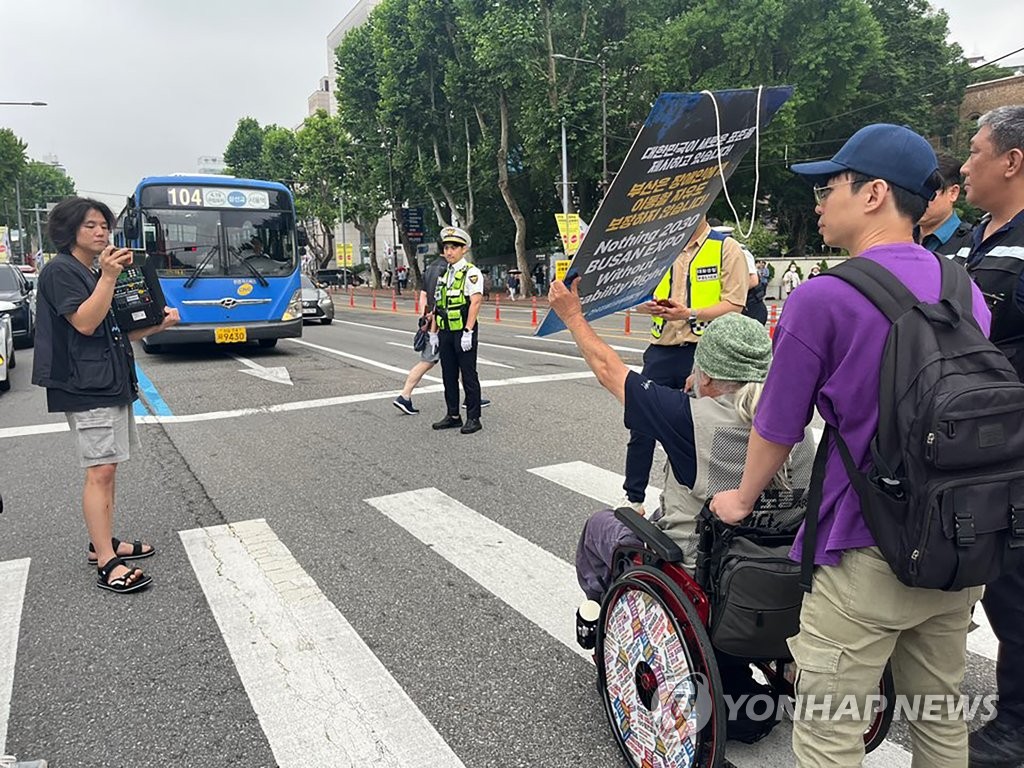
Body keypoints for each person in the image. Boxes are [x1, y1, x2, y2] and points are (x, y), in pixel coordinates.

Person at [710, 124, 990, 767]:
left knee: (829, 731)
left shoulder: (823, 298)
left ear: (874, 194)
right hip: (957, 542)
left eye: (828, 184)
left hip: (866, 548)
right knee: (939, 718)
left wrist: (740, 498)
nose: (818, 199)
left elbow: (778, 426)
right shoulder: (963, 288)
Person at [547, 291, 814, 742]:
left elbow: (610, 371)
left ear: (706, 374)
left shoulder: (690, 417)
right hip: (779, 566)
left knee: (602, 526)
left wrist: (573, 315)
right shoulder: (798, 425)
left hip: (699, 570)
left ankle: (599, 611)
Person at [32, 197, 180, 593]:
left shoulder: (88, 271)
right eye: (91, 226)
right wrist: (110, 277)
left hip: (106, 380)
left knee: (108, 466)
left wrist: (157, 327)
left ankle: (103, 544)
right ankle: (106, 562)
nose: (101, 233)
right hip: (85, 385)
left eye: (104, 226)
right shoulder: (61, 271)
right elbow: (83, 322)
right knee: (99, 470)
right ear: (69, 232)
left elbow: (112, 331)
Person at [957, 105, 1024, 768]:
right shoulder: (979, 234)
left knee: (1018, 583)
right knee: (999, 576)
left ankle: (1017, 727)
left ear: (1013, 160)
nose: (965, 164)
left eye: (977, 152)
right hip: (983, 443)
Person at [621, 216, 748, 514]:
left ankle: (703, 498)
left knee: (705, 427)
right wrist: (648, 306)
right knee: (642, 422)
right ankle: (633, 499)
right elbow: (637, 298)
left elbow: (735, 305)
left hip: (705, 353)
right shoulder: (658, 251)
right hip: (661, 350)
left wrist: (689, 313)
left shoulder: (725, 248)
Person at [392, 255, 490, 415]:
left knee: (454, 364)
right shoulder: (448, 270)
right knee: (428, 360)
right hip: (443, 321)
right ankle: (405, 395)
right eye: (449, 247)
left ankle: (470, 398)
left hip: (433, 318)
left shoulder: (430, 268)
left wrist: (425, 316)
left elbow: (424, 295)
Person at [431, 226, 485, 434]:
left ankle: (474, 417)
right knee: (448, 374)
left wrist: (468, 331)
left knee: (468, 374)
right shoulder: (445, 273)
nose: (449, 252)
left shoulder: (471, 273)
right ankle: (453, 415)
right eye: (446, 247)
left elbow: (476, 302)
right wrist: (433, 332)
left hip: (463, 329)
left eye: (454, 247)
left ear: (464, 249)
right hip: (445, 331)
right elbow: (438, 304)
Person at [917, 152, 974, 260]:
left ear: (953, 193)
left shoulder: (972, 244)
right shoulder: (899, 239)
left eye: (928, 192)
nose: (918, 199)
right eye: (915, 190)